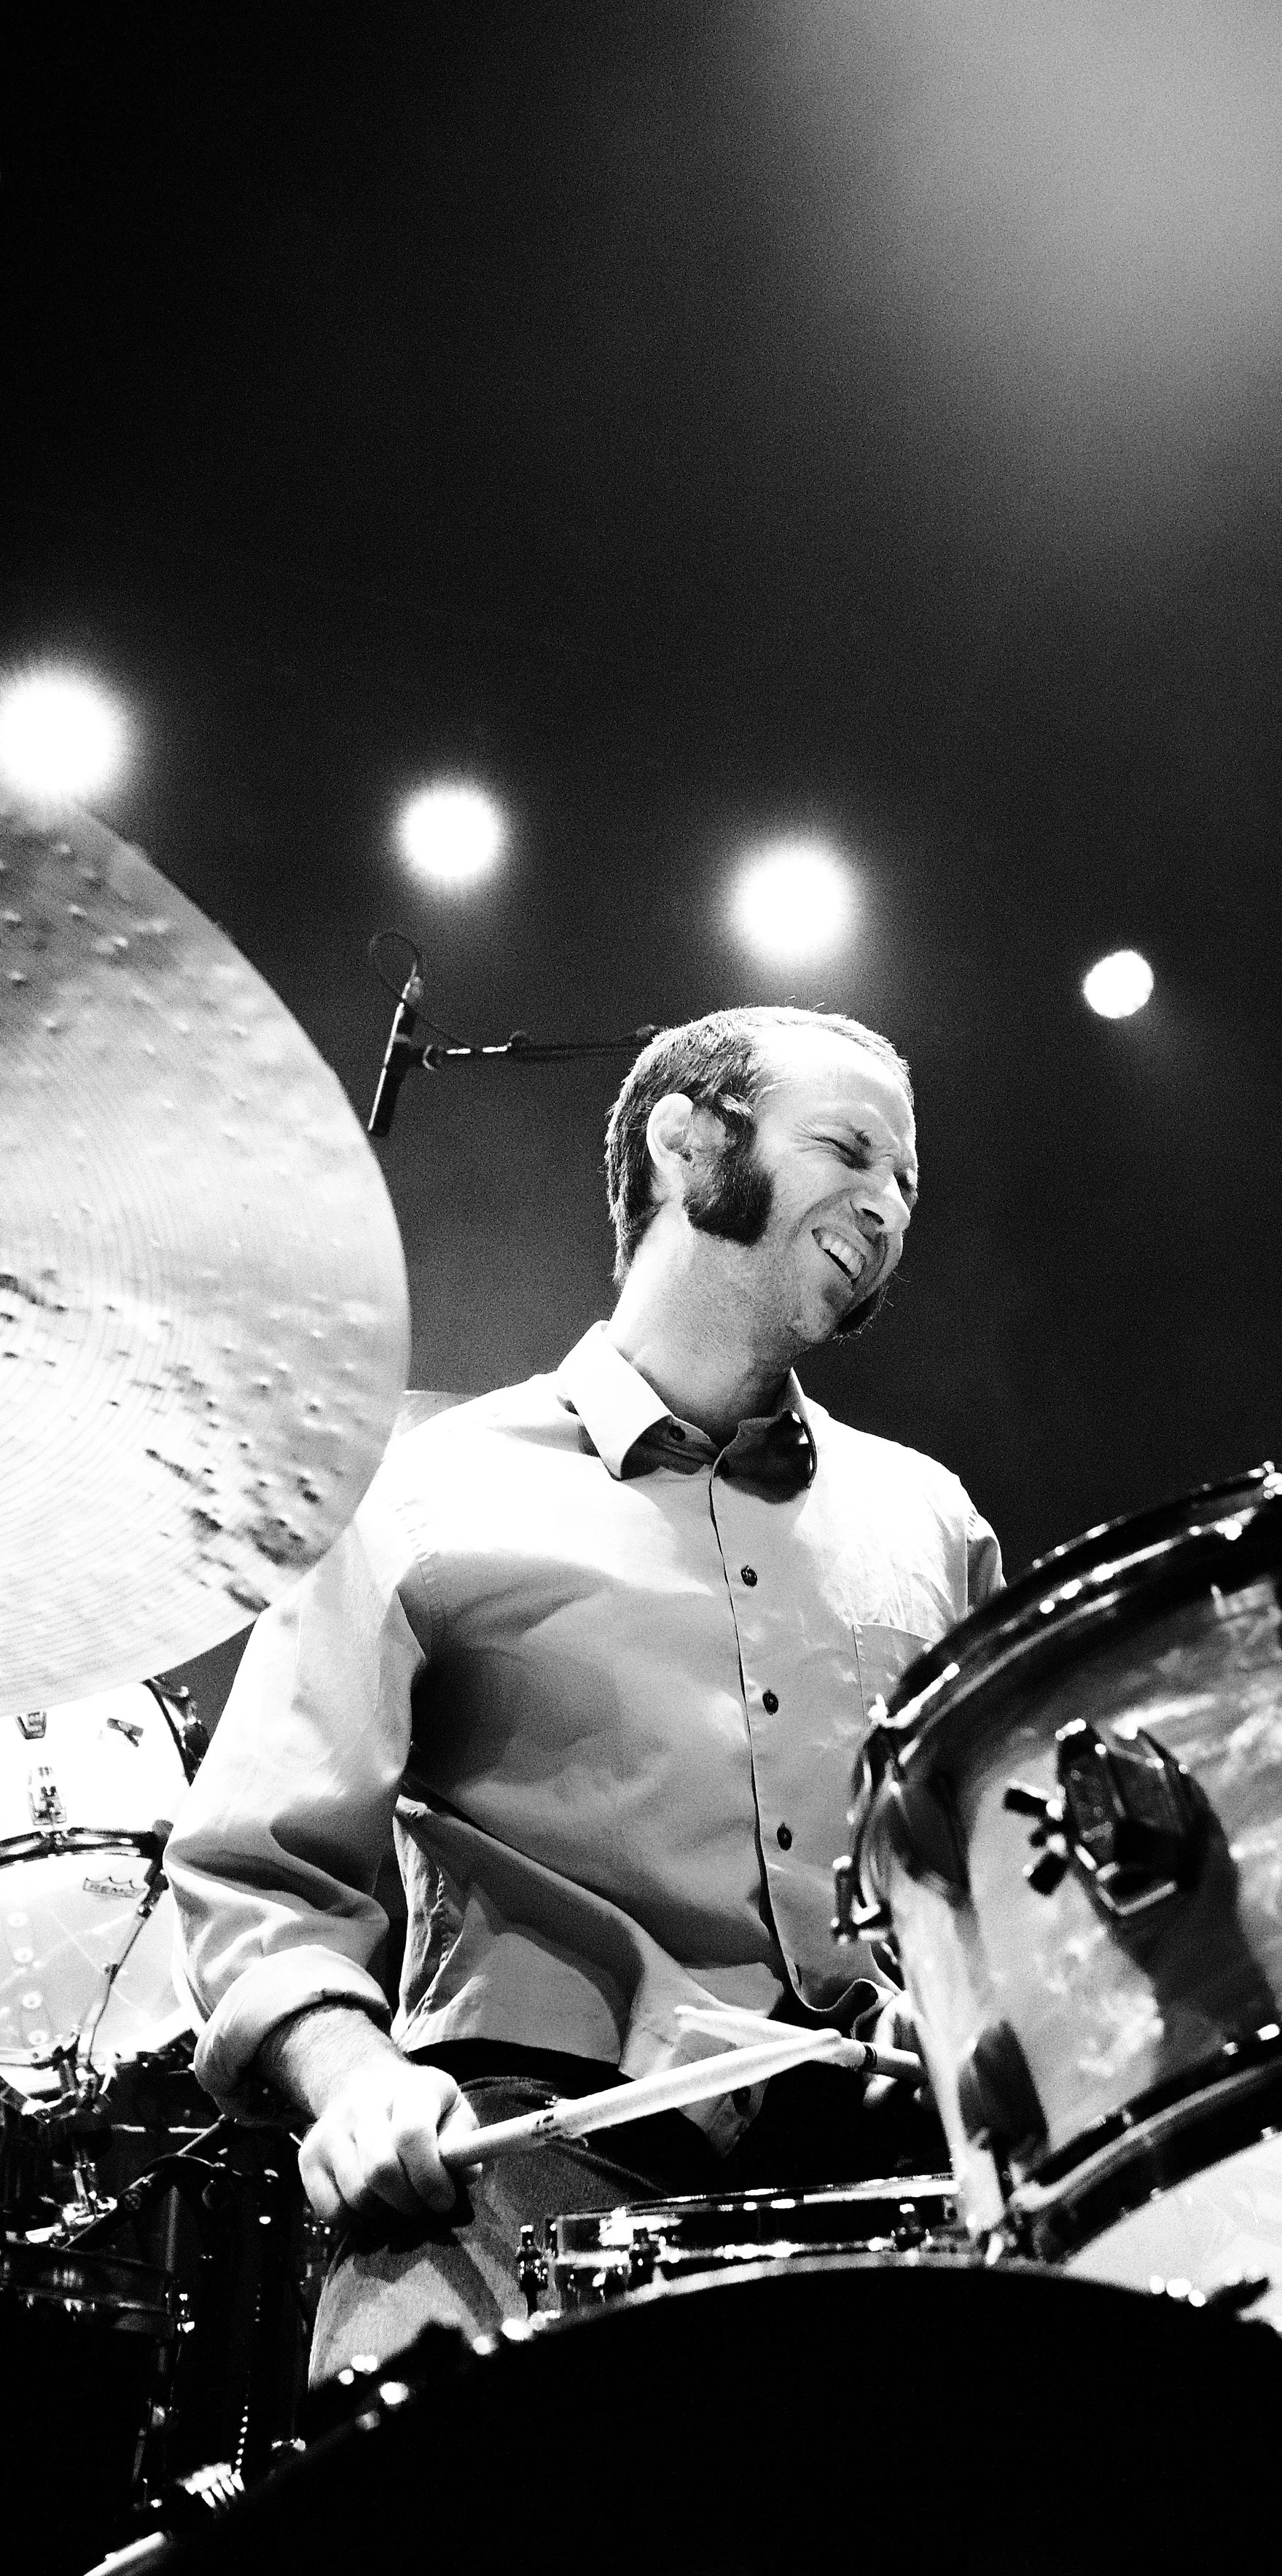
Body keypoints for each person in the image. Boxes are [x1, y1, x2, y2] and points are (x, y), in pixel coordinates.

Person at [165, 1006, 1000, 2376]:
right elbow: (259, 1873)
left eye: (908, 1183)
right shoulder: (426, 1491)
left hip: (888, 2143)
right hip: (532, 2135)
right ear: (686, 1142)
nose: (890, 1207)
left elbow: (980, 1870)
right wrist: (356, 2081)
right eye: (848, 1149)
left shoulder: (934, 1521)